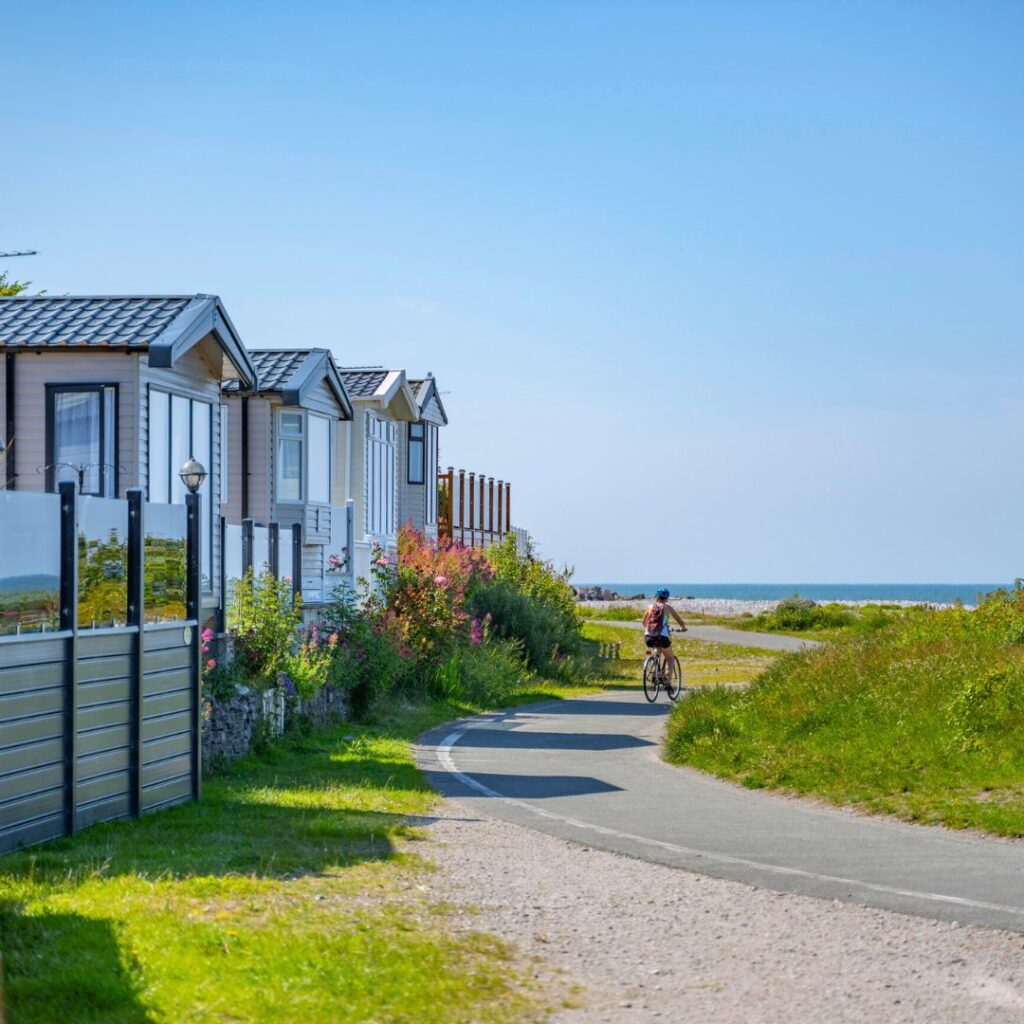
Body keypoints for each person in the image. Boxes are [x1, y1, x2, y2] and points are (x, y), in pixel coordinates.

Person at [642, 588, 687, 683]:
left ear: (656, 597)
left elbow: (643, 622)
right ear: (666, 598)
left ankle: (654, 672)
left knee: (656, 651)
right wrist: (683, 628)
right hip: (662, 636)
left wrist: (651, 629)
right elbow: (679, 621)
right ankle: (667, 681)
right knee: (670, 658)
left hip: (648, 636)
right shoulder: (667, 608)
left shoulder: (650, 607)